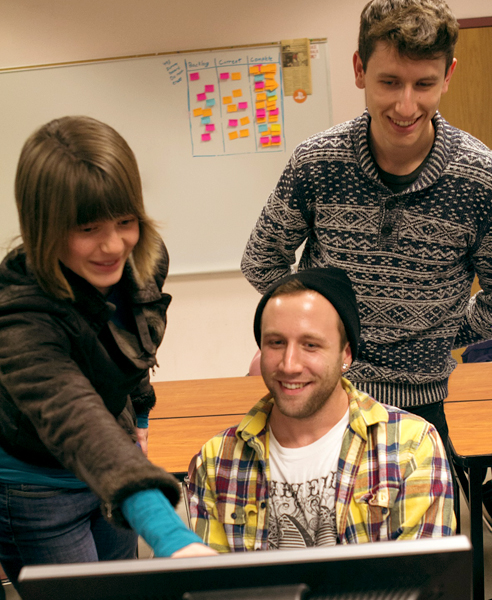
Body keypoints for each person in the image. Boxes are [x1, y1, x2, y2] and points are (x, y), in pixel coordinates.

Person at [240, 0, 492, 452]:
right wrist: (315, 329)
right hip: (322, 401)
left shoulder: (479, 178)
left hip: (420, 408)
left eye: (425, 84)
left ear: (448, 76)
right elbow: (262, 260)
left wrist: (444, 333)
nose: (405, 104)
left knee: (429, 521)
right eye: (390, 82)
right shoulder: (317, 163)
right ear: (360, 69)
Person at [0, 115, 215, 589]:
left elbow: (129, 346)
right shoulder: (18, 314)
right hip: (38, 486)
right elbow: (75, 416)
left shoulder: (143, 259)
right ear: (44, 226)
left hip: (113, 471)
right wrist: (171, 537)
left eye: (125, 220)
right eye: (88, 228)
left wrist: (139, 416)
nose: (113, 245)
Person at [187, 268, 455, 552]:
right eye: (276, 343)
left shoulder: (410, 448)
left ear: (346, 355)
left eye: (311, 345)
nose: (289, 365)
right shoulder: (216, 461)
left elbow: (421, 583)